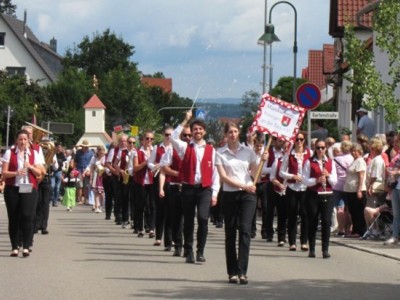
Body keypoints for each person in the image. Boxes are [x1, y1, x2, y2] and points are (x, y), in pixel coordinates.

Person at [170, 111, 220, 264]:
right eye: (195, 129)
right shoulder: (185, 147)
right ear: (191, 132)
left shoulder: (212, 151)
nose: (197, 132)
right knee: (189, 221)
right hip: (188, 188)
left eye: (200, 129)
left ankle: (200, 251)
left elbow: (215, 173)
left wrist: (215, 193)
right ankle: (189, 250)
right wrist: (185, 119)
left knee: (203, 218)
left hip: (205, 189)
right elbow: (172, 137)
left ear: (204, 131)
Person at [216, 122, 258, 284]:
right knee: (231, 232)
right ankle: (232, 271)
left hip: (248, 196)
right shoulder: (220, 153)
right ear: (226, 135)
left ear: (239, 133)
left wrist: (261, 161)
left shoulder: (248, 152)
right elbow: (224, 177)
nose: (233, 135)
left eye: (235, 131)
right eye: (230, 132)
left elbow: (255, 174)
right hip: (230, 194)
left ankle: (242, 271)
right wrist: (243, 186)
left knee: (245, 231)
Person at [1, 129, 44, 257]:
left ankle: (26, 246)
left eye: (25, 139)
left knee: (27, 216)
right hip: (12, 188)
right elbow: (4, 173)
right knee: (13, 217)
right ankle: (15, 247)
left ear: (28, 140)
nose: (23, 142)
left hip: (29, 188)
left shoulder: (34, 154)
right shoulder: (10, 153)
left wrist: (30, 166)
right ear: (16, 140)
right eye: (20, 139)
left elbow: (39, 173)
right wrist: (16, 173)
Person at [159, 124, 192, 257]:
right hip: (175, 187)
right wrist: (177, 173)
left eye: (190, 135)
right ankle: (178, 245)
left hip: (189, 188)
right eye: (185, 135)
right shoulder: (172, 149)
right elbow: (164, 167)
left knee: (188, 219)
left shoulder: (195, 150)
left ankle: (188, 247)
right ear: (180, 136)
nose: (188, 138)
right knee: (177, 218)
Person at [302, 139, 337, 258]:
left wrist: (328, 176)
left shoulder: (331, 162)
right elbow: (305, 180)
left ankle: (325, 249)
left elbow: (335, 181)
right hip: (313, 195)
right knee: (313, 221)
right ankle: (312, 249)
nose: (320, 150)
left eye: (322, 148)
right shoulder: (309, 162)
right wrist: (316, 180)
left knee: (326, 222)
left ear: (326, 149)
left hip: (327, 194)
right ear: (315, 149)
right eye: (318, 148)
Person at [279, 133, 311, 251]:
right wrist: (292, 176)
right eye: (297, 139)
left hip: (305, 188)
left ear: (304, 141)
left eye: (301, 139)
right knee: (292, 214)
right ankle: (292, 242)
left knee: (305, 214)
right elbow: (281, 172)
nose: (299, 141)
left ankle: (304, 241)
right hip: (292, 188)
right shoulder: (289, 155)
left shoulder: (309, 153)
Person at [148, 127, 173, 249]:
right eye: (167, 134)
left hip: (172, 181)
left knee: (172, 211)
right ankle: (158, 237)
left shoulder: (176, 148)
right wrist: (156, 166)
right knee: (160, 210)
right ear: (163, 135)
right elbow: (149, 162)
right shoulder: (158, 148)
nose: (169, 137)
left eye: (171, 135)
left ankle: (171, 238)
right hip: (159, 180)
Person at [133, 130, 155, 238]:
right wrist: (146, 162)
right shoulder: (137, 152)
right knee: (140, 205)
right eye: (147, 138)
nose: (149, 141)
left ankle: (151, 228)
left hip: (152, 182)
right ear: (142, 140)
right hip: (140, 182)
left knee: (151, 205)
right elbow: (136, 168)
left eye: (151, 139)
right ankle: (140, 228)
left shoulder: (154, 150)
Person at [343, 143, 367, 238]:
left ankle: (359, 231)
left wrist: (359, 190)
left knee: (358, 211)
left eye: (355, 151)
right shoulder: (354, 161)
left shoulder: (360, 161)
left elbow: (361, 177)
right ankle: (355, 230)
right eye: (352, 151)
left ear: (359, 151)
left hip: (356, 189)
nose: (353, 152)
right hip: (349, 190)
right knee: (352, 211)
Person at [332, 141, 353, 237]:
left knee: (339, 208)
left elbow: (333, 172)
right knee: (348, 208)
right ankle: (349, 229)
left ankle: (341, 229)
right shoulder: (353, 158)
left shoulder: (335, 159)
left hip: (337, 185)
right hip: (349, 185)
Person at [74, 140, 94, 204]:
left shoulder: (91, 153)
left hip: (87, 171)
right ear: (82, 146)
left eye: (87, 147)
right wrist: (75, 170)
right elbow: (75, 161)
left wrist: (90, 171)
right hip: (79, 170)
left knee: (86, 186)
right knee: (80, 186)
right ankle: (80, 200)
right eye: (85, 146)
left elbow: (91, 163)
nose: (86, 148)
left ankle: (86, 199)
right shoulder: (78, 152)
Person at [89, 146, 106, 213]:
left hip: (103, 176)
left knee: (101, 193)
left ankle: (101, 206)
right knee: (96, 192)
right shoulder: (94, 158)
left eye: (103, 151)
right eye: (100, 152)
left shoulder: (105, 158)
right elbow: (92, 168)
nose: (102, 153)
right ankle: (96, 206)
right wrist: (91, 177)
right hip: (96, 175)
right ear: (98, 152)